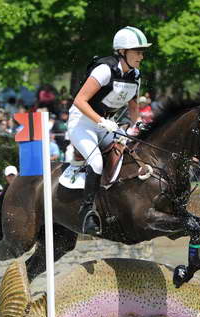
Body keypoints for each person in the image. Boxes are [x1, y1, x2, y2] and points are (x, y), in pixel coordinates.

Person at [67, 26, 151, 235]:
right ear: (123, 51)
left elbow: (133, 107)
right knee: (95, 161)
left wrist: (137, 124)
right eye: (137, 51)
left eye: (142, 52)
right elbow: (79, 100)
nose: (142, 55)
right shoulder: (104, 70)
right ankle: (87, 213)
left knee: (127, 155)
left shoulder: (135, 75)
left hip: (106, 124)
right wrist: (100, 121)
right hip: (82, 122)